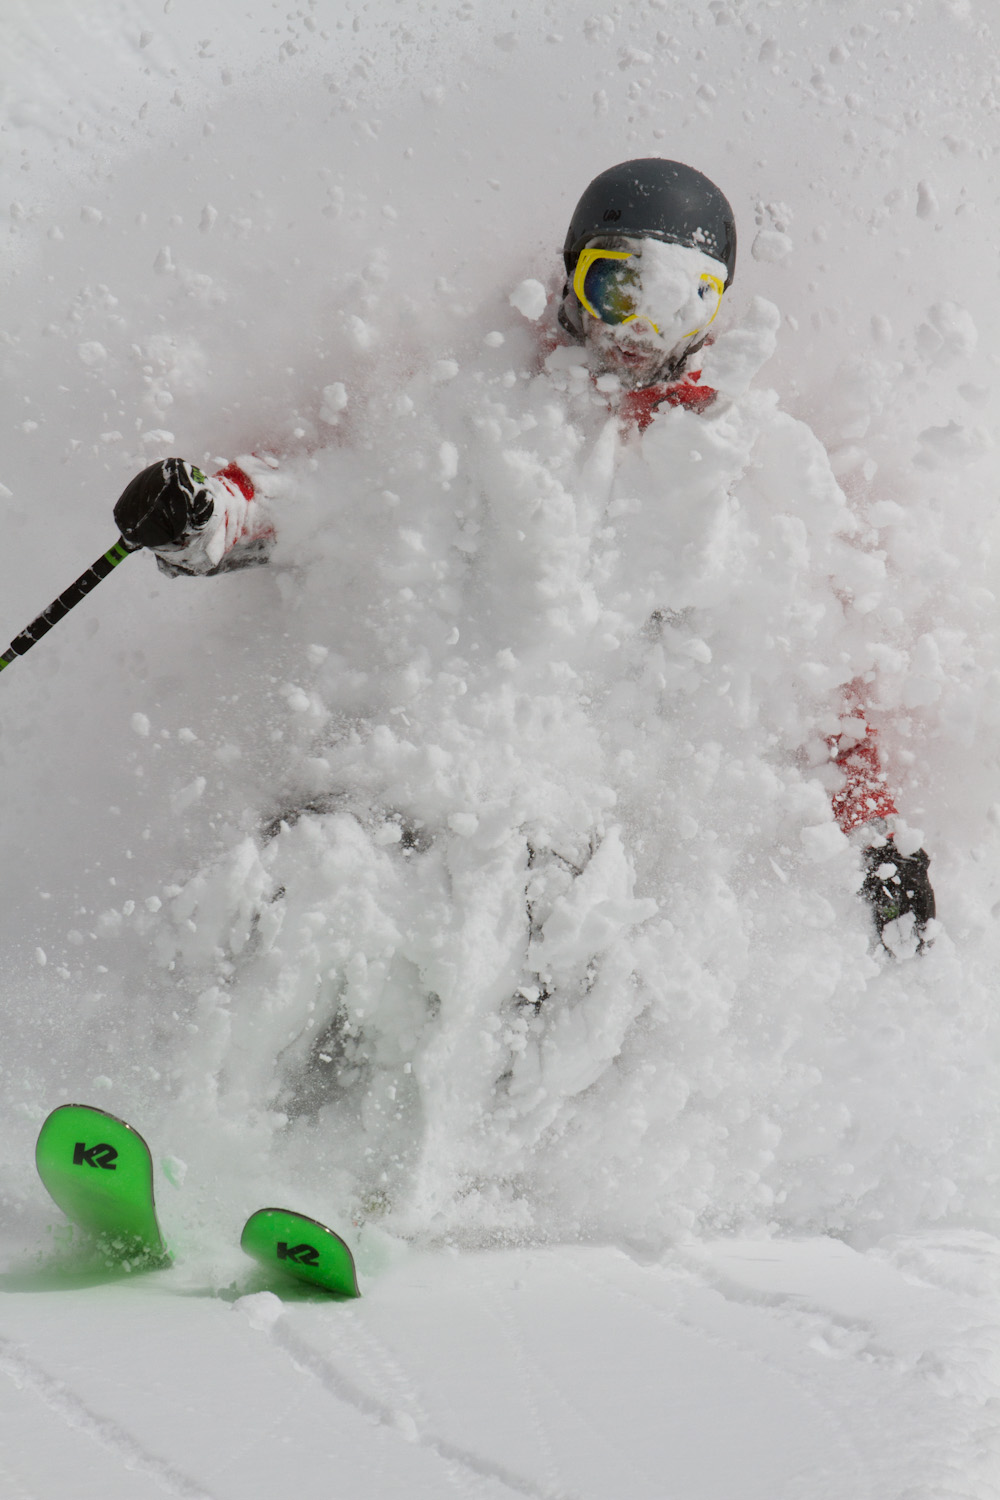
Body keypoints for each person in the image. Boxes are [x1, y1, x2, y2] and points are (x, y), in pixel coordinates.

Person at [112, 157, 935, 954]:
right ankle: (214, 1071)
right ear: (572, 276)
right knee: (312, 876)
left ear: (717, 318)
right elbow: (333, 504)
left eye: (679, 304)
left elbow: (813, 683)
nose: (637, 336)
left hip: (580, 837)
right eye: (616, 288)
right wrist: (208, 516)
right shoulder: (480, 406)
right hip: (415, 766)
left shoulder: (748, 470)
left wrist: (876, 834)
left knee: (551, 937)